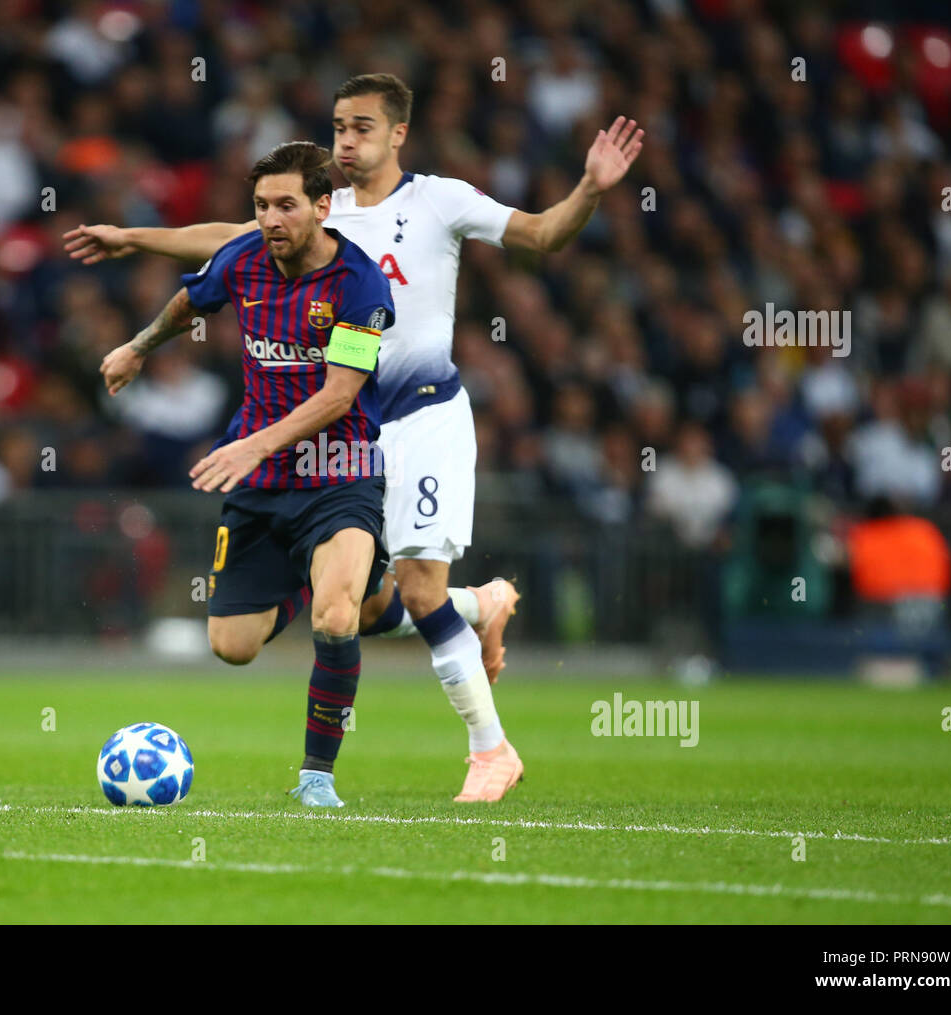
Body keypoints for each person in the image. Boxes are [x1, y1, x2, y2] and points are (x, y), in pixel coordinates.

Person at [67, 73, 644, 801]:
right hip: (332, 437)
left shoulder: (441, 199)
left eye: (362, 127)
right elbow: (226, 244)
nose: (346, 139)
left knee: (410, 587)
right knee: (365, 610)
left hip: (419, 415)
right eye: (339, 125)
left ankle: (488, 748)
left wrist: (590, 188)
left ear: (398, 133)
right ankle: (479, 605)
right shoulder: (316, 209)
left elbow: (543, 233)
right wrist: (133, 238)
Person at [98, 142, 394, 808]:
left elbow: (341, 393)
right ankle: (340, 578)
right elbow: (188, 303)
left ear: (322, 206)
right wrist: (137, 349)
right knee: (232, 645)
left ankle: (317, 778)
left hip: (339, 471)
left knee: (337, 614)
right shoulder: (243, 260)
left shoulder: (359, 283)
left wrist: (254, 443)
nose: (270, 218)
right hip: (262, 486)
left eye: (286, 204)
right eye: (261, 205)